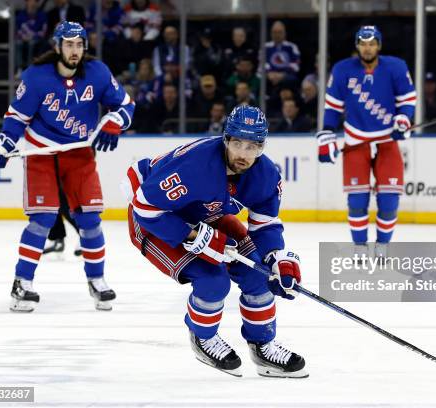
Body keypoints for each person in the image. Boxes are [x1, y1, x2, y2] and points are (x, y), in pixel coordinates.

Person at [122, 105, 307, 378]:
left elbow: (265, 224)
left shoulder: (266, 175)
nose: (244, 154)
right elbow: (146, 207)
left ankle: (263, 345)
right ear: (226, 140)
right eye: (238, 143)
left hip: (208, 214)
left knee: (260, 275)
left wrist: (277, 258)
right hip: (157, 221)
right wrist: (194, 236)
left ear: (263, 146)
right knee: (213, 279)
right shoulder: (195, 166)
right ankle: (203, 338)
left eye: (253, 146)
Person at [0, 22, 135, 312]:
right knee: (43, 220)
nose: (74, 51)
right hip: (41, 153)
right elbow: (16, 119)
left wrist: (115, 122)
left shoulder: (98, 73)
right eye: (69, 44)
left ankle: (97, 280)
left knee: (90, 220)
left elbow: (126, 105)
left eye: (79, 45)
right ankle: (22, 283)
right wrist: (3, 147)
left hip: (79, 154)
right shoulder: (36, 77)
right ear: (57, 46)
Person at [316, 26, 415, 258]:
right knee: (357, 200)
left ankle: (382, 246)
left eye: (372, 44)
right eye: (363, 44)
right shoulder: (342, 70)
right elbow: (332, 106)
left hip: (387, 140)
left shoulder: (397, 66)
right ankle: (360, 247)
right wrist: (327, 133)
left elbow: (408, 99)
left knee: (389, 201)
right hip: (355, 141)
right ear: (357, 45)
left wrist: (403, 119)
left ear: (378, 45)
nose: (367, 48)